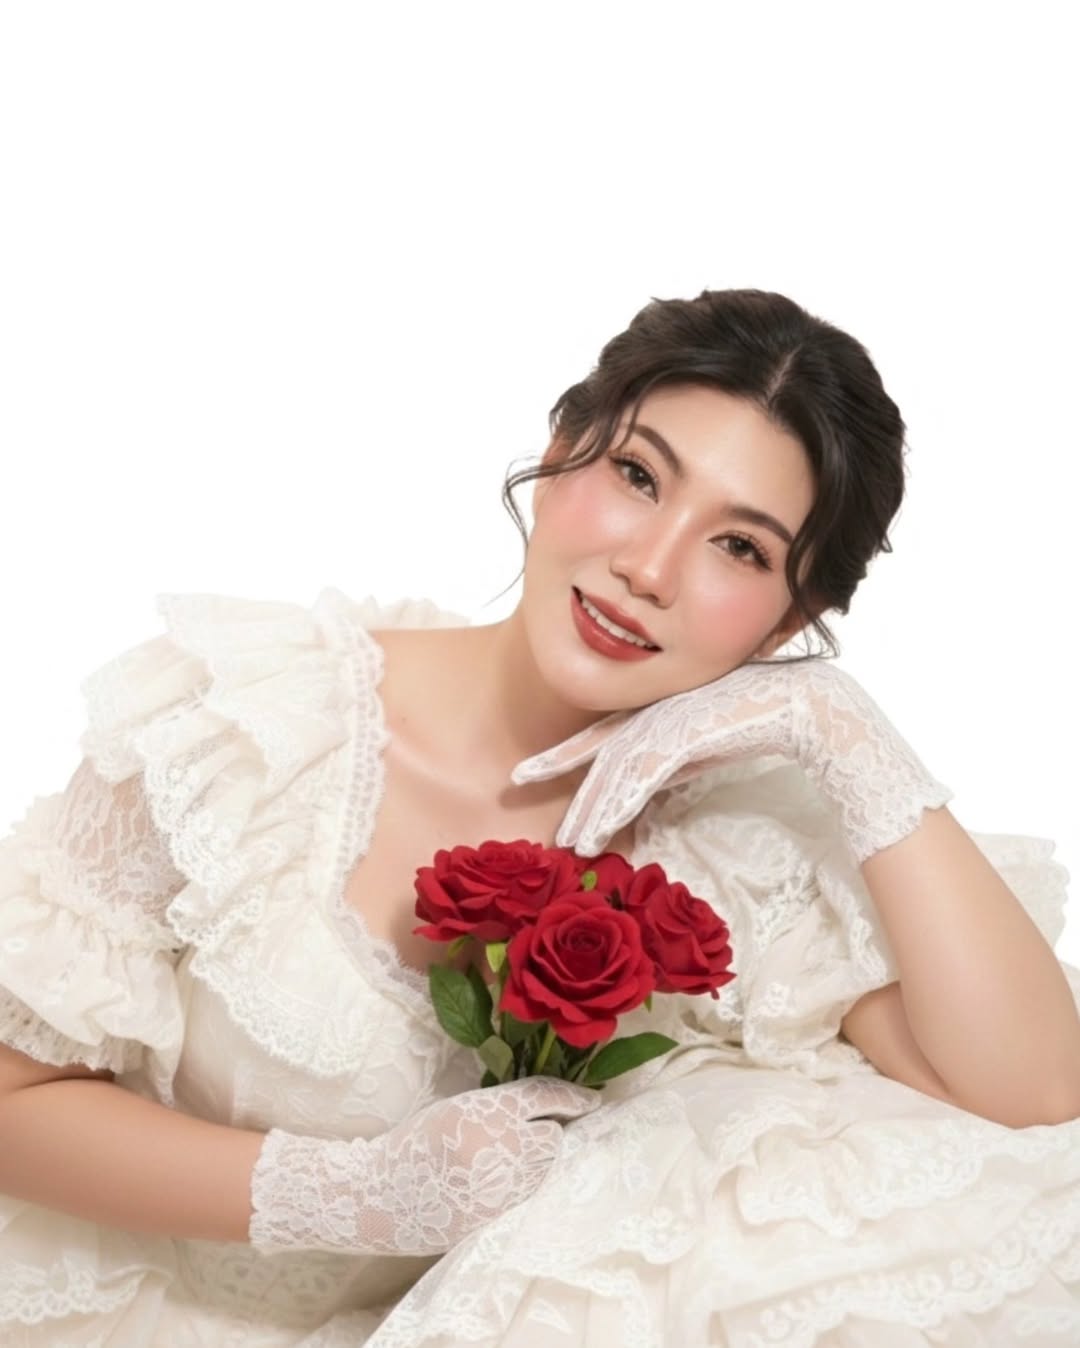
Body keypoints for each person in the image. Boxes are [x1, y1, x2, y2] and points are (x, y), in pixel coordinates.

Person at [1, 287, 1078, 1346]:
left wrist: (838, 726)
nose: (648, 569)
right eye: (638, 475)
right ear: (562, 451)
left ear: (788, 619)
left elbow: (1035, 1101)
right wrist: (356, 1194)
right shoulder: (248, 727)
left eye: (740, 548)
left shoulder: (742, 840)